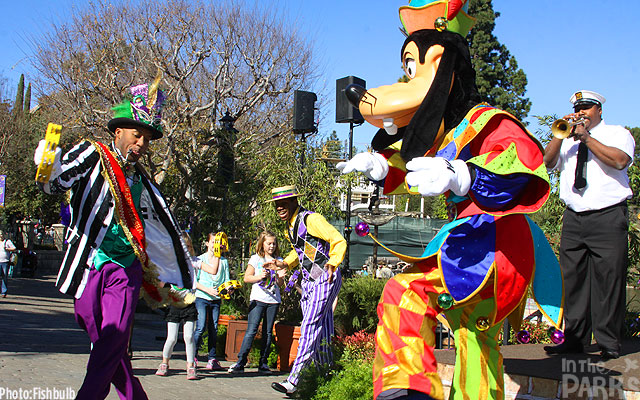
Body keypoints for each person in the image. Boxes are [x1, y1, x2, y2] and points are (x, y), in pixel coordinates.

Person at [33, 80, 196, 400]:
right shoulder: (91, 153)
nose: (141, 143)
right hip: (89, 264)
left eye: (147, 139)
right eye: (137, 134)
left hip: (125, 269)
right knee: (105, 339)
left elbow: (163, 232)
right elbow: (56, 183)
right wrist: (47, 165)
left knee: (113, 338)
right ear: (118, 131)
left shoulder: (144, 183)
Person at [543, 90, 635, 360]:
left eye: (587, 108)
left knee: (608, 281)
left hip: (607, 217)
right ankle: (574, 339)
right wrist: (559, 136)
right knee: (572, 281)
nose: (581, 112)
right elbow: (547, 163)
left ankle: (609, 343)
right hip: (574, 217)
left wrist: (586, 138)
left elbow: (620, 161)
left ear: (599, 110)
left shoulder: (618, 133)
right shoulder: (568, 140)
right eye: (578, 107)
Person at [268, 185, 346, 396]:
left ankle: (294, 380)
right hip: (310, 281)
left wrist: (333, 262)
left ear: (294, 201)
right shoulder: (290, 227)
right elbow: (300, 250)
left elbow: (338, 239)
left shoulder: (311, 220)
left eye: (283, 204)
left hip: (325, 277)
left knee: (310, 325)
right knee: (323, 328)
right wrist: (284, 263)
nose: (280, 208)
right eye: (277, 205)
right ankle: (326, 376)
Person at [228, 231, 285, 374]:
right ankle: (240, 362)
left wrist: (280, 276)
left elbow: (280, 284)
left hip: (273, 300)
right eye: (269, 243)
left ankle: (263, 363)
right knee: (251, 330)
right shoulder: (256, 259)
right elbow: (247, 278)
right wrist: (260, 276)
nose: (271, 246)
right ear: (262, 244)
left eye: (274, 243)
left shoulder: (279, 261)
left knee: (267, 332)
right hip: (258, 299)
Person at [156, 233, 211, 380]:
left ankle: (190, 365)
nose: (185, 250)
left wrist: (215, 252)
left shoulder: (194, 262)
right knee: (172, 338)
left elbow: (213, 270)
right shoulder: (172, 264)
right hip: (175, 303)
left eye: (187, 247)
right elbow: (160, 280)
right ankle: (164, 363)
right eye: (181, 247)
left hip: (190, 303)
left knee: (188, 337)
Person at [193, 232, 230, 371]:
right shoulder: (200, 259)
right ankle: (193, 356)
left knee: (213, 328)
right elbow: (195, 282)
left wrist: (228, 289)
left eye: (218, 242)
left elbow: (226, 280)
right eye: (213, 241)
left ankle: (212, 358)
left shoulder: (224, 261)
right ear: (207, 243)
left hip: (216, 299)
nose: (216, 244)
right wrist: (208, 291)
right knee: (200, 326)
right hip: (202, 297)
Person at [0, 231, 16, 298]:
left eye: (1, 234)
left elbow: (14, 248)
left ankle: (4, 292)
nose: (1, 236)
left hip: (5, 262)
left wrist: (7, 249)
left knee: (4, 277)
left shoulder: (7, 241)